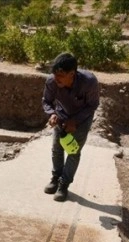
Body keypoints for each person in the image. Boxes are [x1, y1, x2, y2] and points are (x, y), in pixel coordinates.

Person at [41, 52, 100, 202]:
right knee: (57, 148)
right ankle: (55, 178)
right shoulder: (51, 81)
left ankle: (64, 185)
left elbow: (92, 105)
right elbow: (46, 101)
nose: (57, 79)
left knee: (73, 151)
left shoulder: (89, 82)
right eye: (55, 75)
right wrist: (52, 114)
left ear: (72, 74)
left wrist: (75, 121)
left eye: (60, 75)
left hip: (82, 118)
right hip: (61, 115)